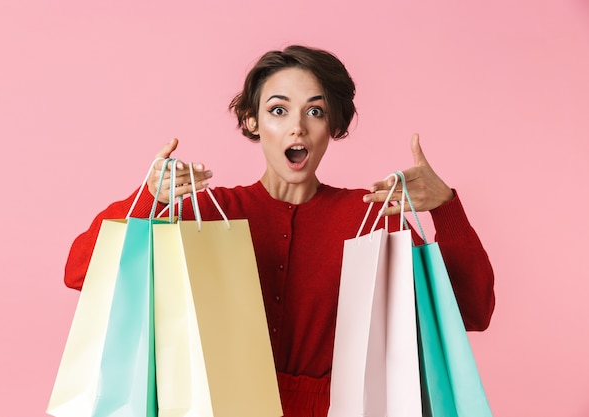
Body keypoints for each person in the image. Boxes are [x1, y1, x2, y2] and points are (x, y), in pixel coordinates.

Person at [64, 45, 495, 416]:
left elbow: (471, 312)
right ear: (252, 122)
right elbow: (81, 272)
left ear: (334, 127)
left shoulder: (372, 218)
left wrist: (446, 208)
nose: (297, 126)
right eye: (278, 109)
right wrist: (149, 199)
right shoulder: (208, 213)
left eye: (315, 110)